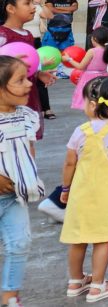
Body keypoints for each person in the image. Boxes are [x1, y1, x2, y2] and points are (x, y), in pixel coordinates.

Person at [59, 76, 108, 304]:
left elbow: (69, 163)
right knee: (102, 239)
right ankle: (97, 286)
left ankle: (75, 281)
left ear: (92, 104)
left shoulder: (80, 130)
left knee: (78, 239)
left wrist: (65, 188)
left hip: (81, 192)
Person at [0, 55, 43, 307]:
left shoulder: (27, 115)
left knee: (20, 243)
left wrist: (29, 179)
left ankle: (10, 297)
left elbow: (28, 152)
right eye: (20, 80)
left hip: (14, 197)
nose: (29, 84)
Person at [0, 0, 55, 139]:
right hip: (7, 95)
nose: (33, 7)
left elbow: (28, 62)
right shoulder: (2, 34)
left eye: (33, 3)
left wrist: (38, 73)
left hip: (27, 92)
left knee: (28, 136)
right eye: (27, 3)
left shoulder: (29, 35)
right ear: (11, 8)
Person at [65, 28, 108, 111]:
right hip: (103, 77)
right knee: (99, 101)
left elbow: (81, 67)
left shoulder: (92, 51)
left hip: (90, 78)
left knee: (89, 101)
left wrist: (69, 59)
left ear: (95, 39)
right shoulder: (107, 50)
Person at [44, 0, 78, 84]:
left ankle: (61, 71)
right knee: (50, 51)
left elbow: (74, 8)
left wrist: (56, 9)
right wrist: (66, 10)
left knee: (65, 51)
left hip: (66, 29)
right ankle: (49, 72)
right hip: (52, 29)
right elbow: (50, 9)